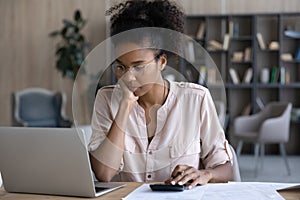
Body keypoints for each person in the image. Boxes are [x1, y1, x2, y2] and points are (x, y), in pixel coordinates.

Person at [88, 0, 233, 189]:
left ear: (162, 62)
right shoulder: (106, 99)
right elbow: (104, 173)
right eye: (121, 67)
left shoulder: (196, 99)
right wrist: (125, 107)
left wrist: (205, 174)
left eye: (138, 66)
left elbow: (226, 169)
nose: (128, 77)